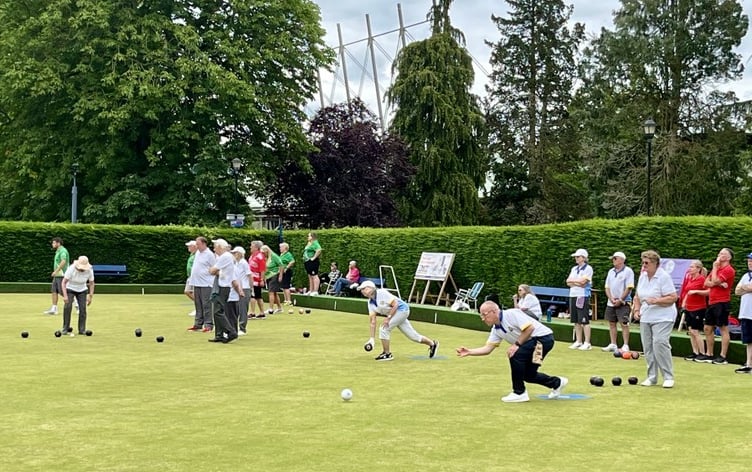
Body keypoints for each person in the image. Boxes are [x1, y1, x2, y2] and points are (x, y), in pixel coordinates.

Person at [456, 301, 568, 403]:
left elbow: (530, 329)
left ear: (494, 311)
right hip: (537, 344)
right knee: (528, 375)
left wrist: (516, 345)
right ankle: (557, 383)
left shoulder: (511, 314)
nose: (482, 318)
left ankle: (519, 392)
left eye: (484, 314)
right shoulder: (496, 330)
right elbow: (488, 349)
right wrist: (469, 351)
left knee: (515, 355)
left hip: (543, 339)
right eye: (481, 315)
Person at [357, 280, 438, 361]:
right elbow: (372, 321)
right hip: (395, 314)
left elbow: (395, 304)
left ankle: (387, 354)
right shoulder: (370, 303)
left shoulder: (381, 293)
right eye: (361, 290)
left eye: (364, 289)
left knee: (384, 329)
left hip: (402, 310)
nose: (362, 291)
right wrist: (372, 338)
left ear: (370, 288)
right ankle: (432, 344)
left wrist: (388, 318)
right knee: (413, 336)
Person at [632, 250, 678, 388]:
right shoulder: (643, 276)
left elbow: (673, 297)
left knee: (660, 343)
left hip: (664, 316)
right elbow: (637, 296)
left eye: (646, 262)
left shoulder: (663, 277)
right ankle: (652, 377)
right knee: (648, 347)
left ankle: (668, 376)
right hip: (646, 316)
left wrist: (657, 300)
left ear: (655, 264)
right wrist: (636, 309)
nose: (644, 265)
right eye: (643, 262)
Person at [697, 247, 736, 365]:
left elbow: (714, 280)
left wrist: (714, 270)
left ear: (729, 257)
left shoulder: (729, 270)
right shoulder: (717, 269)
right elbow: (706, 283)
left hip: (722, 302)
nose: (720, 255)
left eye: (723, 254)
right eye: (719, 253)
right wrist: (716, 283)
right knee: (707, 328)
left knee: (722, 327)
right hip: (712, 301)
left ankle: (723, 355)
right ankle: (709, 353)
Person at [602, 251, 635, 353]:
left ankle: (625, 345)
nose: (613, 260)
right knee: (612, 323)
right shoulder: (611, 271)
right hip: (611, 301)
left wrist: (621, 299)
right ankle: (613, 344)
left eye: (615, 258)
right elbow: (607, 287)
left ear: (621, 260)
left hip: (624, 302)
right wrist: (611, 298)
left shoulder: (628, 271)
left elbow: (629, 287)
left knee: (624, 323)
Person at [208, 238, 238, 343]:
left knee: (218, 311)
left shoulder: (225, 257)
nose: (214, 249)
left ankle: (231, 331)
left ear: (220, 247)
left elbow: (212, 270)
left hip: (222, 287)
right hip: (223, 286)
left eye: (215, 247)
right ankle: (219, 335)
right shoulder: (226, 257)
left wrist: (214, 270)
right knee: (217, 311)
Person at [679, 260, 709, 361]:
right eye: (690, 267)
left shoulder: (702, 279)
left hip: (698, 308)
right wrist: (684, 304)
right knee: (691, 331)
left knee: (695, 331)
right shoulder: (690, 278)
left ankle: (702, 353)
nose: (690, 269)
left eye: (692, 267)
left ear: (698, 269)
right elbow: (687, 292)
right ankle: (695, 352)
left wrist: (696, 291)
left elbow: (708, 292)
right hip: (689, 307)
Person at [60, 255, 95, 336]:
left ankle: (82, 330)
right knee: (67, 307)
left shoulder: (89, 270)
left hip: (82, 289)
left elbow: (92, 283)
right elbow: (63, 282)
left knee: (83, 309)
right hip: (70, 288)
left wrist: (90, 296)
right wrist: (65, 296)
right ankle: (65, 328)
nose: (82, 269)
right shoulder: (71, 268)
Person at [566, 248, 594, 350]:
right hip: (573, 295)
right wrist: (577, 282)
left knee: (584, 320)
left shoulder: (588, 268)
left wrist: (575, 282)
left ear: (583, 258)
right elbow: (568, 282)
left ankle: (587, 342)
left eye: (578, 257)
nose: (576, 258)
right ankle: (578, 341)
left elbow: (583, 283)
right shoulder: (574, 269)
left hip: (582, 295)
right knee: (576, 320)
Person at [187, 237, 215, 333]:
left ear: (203, 244)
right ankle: (198, 324)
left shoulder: (209, 254)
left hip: (206, 283)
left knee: (206, 304)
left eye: (198, 244)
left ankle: (208, 325)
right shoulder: (198, 253)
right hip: (197, 282)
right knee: (198, 304)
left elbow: (214, 268)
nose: (196, 246)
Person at [733, 253, 752, 373]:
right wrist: (746, 287)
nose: (749, 263)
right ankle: (749, 364)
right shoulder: (746, 275)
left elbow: (745, 289)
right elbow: (737, 291)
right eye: (749, 261)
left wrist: (744, 288)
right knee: (749, 340)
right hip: (746, 313)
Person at [44, 237, 70, 315]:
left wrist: (56, 271)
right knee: (54, 290)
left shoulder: (63, 251)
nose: (53, 244)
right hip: (58, 275)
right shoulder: (58, 251)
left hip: (62, 274)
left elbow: (63, 261)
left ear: (58, 243)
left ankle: (76, 303)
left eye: (54, 243)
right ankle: (54, 308)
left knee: (62, 292)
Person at [231, 246, 251, 335]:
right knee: (237, 308)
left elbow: (249, 275)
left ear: (239, 254)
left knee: (243, 309)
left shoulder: (243, 263)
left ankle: (242, 328)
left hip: (245, 288)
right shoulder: (236, 263)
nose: (233, 254)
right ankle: (234, 327)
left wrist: (251, 289)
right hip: (238, 288)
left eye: (235, 253)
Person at [262, 244, 284, 314]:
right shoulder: (265, 257)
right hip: (268, 276)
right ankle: (280, 308)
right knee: (274, 293)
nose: (263, 254)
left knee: (271, 292)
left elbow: (281, 265)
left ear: (267, 251)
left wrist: (280, 275)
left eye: (264, 252)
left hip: (274, 275)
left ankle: (270, 309)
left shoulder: (273, 256)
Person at [248, 240, 266, 319]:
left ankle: (252, 312)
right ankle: (261, 312)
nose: (250, 247)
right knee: (257, 296)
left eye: (252, 246)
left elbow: (262, 269)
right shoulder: (252, 256)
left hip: (256, 279)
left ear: (256, 247)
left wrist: (262, 279)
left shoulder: (259, 257)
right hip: (252, 278)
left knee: (254, 296)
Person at [184, 240, 197, 317]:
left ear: (194, 247)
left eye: (190, 246)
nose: (188, 247)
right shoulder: (192, 255)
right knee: (187, 291)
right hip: (190, 277)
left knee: (190, 291)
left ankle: (198, 308)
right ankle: (198, 307)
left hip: (194, 277)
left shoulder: (197, 255)